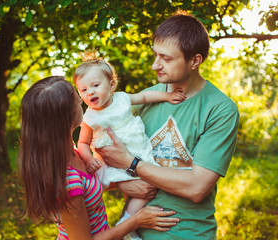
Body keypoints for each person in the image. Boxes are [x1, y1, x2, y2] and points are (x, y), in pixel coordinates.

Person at [95, 12, 240, 240]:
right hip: (132, 232)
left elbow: (196, 188)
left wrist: (131, 163)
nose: (155, 65)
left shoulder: (220, 109)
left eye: (167, 58)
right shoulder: (144, 99)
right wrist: (121, 185)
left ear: (195, 61)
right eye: (155, 55)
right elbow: (102, 160)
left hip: (187, 234)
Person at [18, 76, 180, 240]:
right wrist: (136, 221)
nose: (82, 101)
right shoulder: (68, 181)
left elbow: (88, 188)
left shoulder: (73, 151)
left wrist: (121, 184)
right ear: (66, 119)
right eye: (77, 100)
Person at [73, 51, 186, 239]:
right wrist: (87, 158)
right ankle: (126, 224)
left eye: (95, 85)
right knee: (140, 188)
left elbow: (144, 97)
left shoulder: (122, 98)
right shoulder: (90, 117)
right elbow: (82, 142)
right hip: (110, 163)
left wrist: (167, 96)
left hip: (137, 152)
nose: (90, 92)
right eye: (83, 90)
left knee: (146, 188)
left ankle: (127, 221)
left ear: (111, 85)